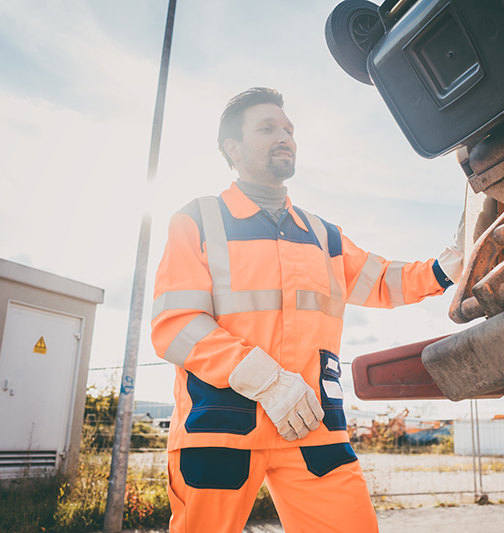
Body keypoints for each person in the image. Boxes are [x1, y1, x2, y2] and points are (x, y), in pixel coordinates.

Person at [150, 87, 464, 533]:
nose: (285, 137)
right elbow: (176, 325)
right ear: (232, 149)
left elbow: (384, 280)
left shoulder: (322, 234)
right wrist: (270, 383)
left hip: (312, 426)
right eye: (267, 128)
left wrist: (446, 267)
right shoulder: (198, 220)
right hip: (221, 427)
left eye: (289, 129)